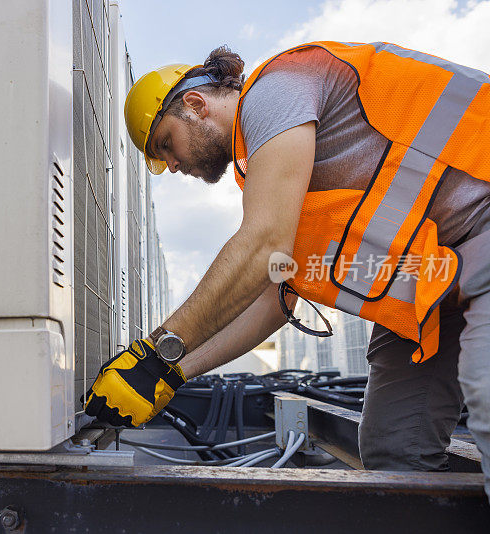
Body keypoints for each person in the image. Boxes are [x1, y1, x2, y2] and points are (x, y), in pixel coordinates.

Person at [83, 41, 490, 499]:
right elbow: (272, 301)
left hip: (482, 227)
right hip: (438, 288)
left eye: (166, 145)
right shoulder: (272, 172)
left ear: (195, 105)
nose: (173, 165)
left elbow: (262, 247)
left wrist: (154, 357)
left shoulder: (275, 91)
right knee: (397, 450)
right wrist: (174, 375)